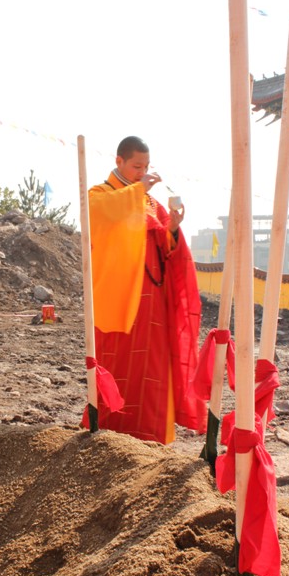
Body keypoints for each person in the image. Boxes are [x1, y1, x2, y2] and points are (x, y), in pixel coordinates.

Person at [83, 135, 206, 444]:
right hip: (119, 297)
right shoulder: (101, 194)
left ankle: (152, 436)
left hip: (153, 298)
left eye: (146, 166)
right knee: (117, 361)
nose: (142, 172)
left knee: (153, 366)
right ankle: (110, 432)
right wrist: (137, 190)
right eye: (137, 166)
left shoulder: (152, 203)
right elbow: (97, 214)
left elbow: (167, 247)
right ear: (119, 161)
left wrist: (174, 228)